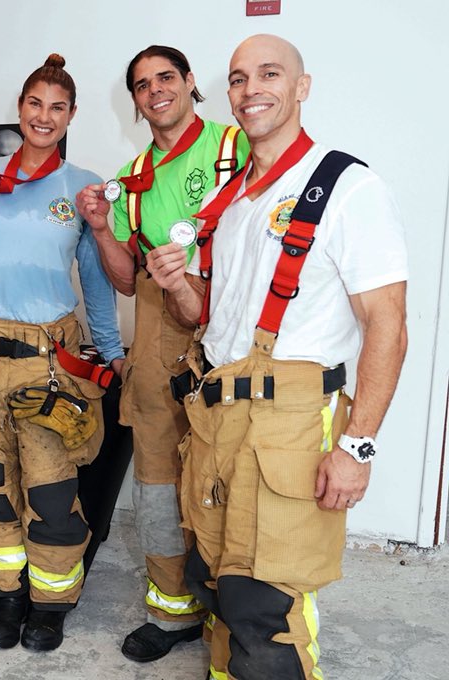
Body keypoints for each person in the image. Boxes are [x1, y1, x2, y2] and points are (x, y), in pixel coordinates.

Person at [146, 34, 408, 679]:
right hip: (217, 421)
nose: (251, 89)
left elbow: (389, 326)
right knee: (217, 586)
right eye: (238, 78)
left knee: (268, 609)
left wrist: (358, 446)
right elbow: (205, 317)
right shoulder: (235, 201)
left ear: (301, 86)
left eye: (269, 74)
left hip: (290, 429)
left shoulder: (345, 186)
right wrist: (180, 285)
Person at [0, 54, 125, 653]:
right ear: (20, 109)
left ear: (71, 117)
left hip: (48, 364)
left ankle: (50, 603)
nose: (44, 117)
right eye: (35, 105)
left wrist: (113, 351)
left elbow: (95, 281)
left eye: (57, 108)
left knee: (49, 493)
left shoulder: (83, 188)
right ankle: (9, 593)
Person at [77, 45, 250, 663]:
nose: (156, 91)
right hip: (156, 332)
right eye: (142, 84)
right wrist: (100, 227)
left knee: (234, 472)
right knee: (156, 476)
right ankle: (171, 608)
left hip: (232, 327)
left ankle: (236, 613)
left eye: (165, 78)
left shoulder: (237, 146)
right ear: (135, 101)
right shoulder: (131, 179)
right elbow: (126, 279)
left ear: (188, 83)